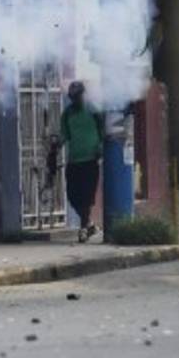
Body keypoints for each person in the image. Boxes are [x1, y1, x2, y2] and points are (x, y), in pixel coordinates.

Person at [60, 81, 105, 243]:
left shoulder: (93, 109)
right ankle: (90, 224)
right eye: (72, 97)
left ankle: (83, 228)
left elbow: (103, 129)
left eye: (78, 96)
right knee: (73, 196)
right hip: (74, 160)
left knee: (86, 197)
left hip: (90, 159)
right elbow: (64, 135)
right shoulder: (67, 113)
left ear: (83, 95)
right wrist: (56, 144)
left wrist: (100, 146)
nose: (75, 100)